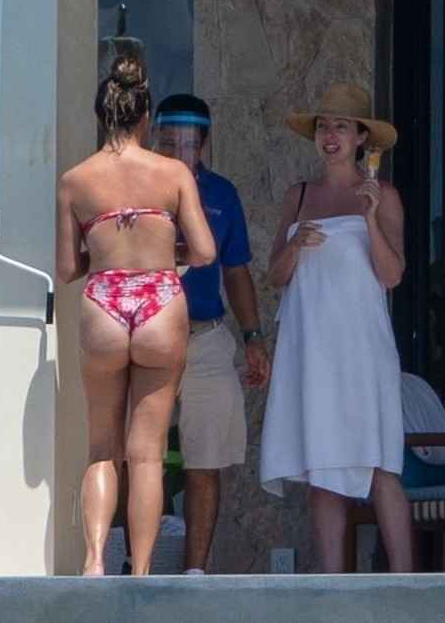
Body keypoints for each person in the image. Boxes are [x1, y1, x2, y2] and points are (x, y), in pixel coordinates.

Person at [55, 56, 216, 576]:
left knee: (102, 448)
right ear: (146, 115)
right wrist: (168, 251)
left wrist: (105, 256)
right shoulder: (173, 173)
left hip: (103, 301)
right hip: (159, 301)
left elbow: (66, 268)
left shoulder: (75, 180)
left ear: (102, 114)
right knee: (147, 453)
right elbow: (206, 252)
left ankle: (94, 561)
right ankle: (141, 572)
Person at [259, 83, 411, 572]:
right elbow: (275, 276)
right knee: (323, 466)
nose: (330, 135)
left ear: (361, 137)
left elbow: (392, 274)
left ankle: (408, 584)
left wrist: (370, 219)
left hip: (362, 349)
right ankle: (331, 588)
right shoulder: (299, 195)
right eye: (323, 126)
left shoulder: (383, 195)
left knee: (379, 463)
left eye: (341, 127)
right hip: (312, 350)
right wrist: (294, 245)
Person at [152, 94, 271, 574]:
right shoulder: (138, 187)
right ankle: (135, 568)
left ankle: (194, 574)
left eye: (187, 142)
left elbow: (236, 270)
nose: (177, 150)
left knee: (205, 459)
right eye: (168, 141)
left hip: (206, 336)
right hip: (148, 338)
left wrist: (253, 335)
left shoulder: (221, 193)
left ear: (203, 144)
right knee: (139, 458)